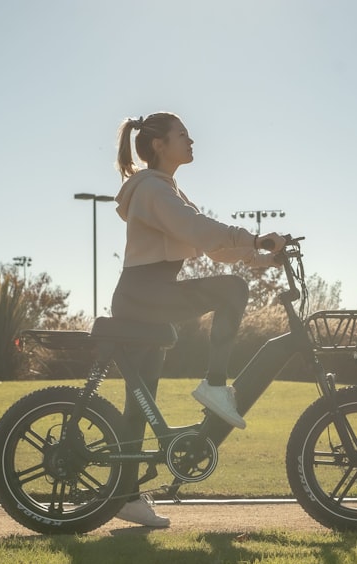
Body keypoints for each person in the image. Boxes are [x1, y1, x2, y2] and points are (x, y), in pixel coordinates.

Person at [108, 111, 285, 528]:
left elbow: (210, 245)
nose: (192, 141)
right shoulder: (153, 190)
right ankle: (216, 386)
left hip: (142, 298)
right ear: (158, 145)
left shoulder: (165, 189)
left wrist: (260, 258)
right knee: (232, 291)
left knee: (140, 401)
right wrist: (254, 238)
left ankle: (126, 495)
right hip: (145, 295)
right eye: (183, 135)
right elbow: (198, 228)